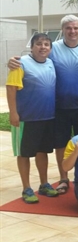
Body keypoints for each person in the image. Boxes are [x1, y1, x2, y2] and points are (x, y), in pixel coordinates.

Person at [9, 15, 78, 195]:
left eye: (76, 28)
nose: (72, 31)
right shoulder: (53, 49)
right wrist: (13, 61)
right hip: (57, 109)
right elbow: (35, 58)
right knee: (61, 144)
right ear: (63, 30)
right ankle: (63, 179)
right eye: (68, 28)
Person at [6, 33, 58, 203]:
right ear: (32, 46)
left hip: (47, 117)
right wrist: (13, 112)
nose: (43, 47)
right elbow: (11, 88)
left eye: (46, 44)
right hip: (26, 118)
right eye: (39, 44)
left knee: (42, 152)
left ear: (50, 48)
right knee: (24, 153)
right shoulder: (20, 64)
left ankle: (44, 184)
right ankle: (26, 188)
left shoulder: (51, 63)